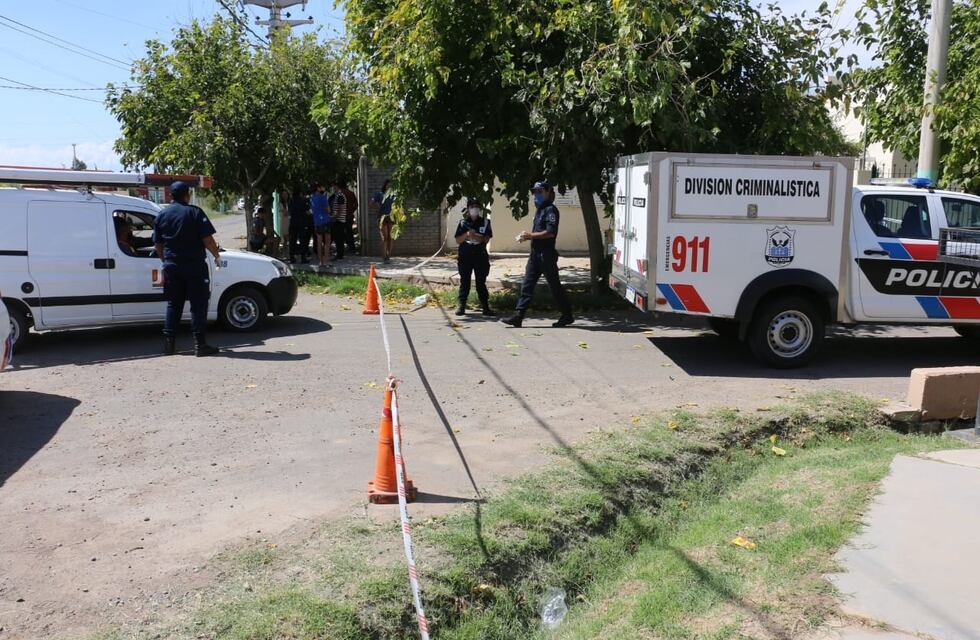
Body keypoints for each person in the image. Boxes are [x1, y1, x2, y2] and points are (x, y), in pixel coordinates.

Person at [153, 181, 221, 357]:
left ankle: (169, 346)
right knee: (198, 305)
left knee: (173, 305)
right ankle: (200, 345)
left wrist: (166, 261)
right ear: (187, 194)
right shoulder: (194, 212)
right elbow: (208, 240)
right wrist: (216, 255)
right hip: (194, 267)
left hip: (172, 267)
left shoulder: (162, 215)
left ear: (171, 195)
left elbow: (157, 244)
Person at [500, 181, 573, 328]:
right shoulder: (539, 209)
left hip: (546, 255)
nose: (536, 194)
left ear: (547, 192)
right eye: (534, 192)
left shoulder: (551, 210)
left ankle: (567, 315)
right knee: (527, 285)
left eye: (539, 191)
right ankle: (518, 316)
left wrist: (530, 236)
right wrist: (527, 236)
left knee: (554, 286)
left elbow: (550, 233)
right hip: (535, 255)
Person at [454, 197, 494, 316]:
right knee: (465, 281)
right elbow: (457, 240)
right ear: (468, 209)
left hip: (480, 255)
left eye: (476, 206)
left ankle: (485, 307)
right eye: (472, 207)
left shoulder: (486, 222)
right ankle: (461, 306)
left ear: (480, 208)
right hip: (465, 255)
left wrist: (475, 236)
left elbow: (486, 239)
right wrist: (466, 235)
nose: (474, 209)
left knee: (480, 282)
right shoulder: (462, 223)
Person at [373, 179, 395, 263]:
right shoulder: (379, 194)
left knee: (390, 237)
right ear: (385, 185)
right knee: (384, 237)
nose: (389, 187)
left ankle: (388, 256)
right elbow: (371, 203)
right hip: (382, 217)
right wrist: (378, 209)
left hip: (391, 217)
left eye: (391, 186)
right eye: (388, 185)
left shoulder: (394, 195)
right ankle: (384, 256)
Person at [288, 186, 312, 263]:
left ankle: (292, 257)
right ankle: (303, 258)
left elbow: (290, 211)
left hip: (293, 222)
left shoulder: (291, 201)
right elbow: (307, 211)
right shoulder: (303, 200)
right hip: (301, 222)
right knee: (302, 240)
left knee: (293, 240)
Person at [310, 183, 332, 265]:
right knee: (327, 241)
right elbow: (328, 210)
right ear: (318, 188)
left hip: (317, 221)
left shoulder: (312, 199)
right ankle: (326, 260)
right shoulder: (323, 198)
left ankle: (320, 261)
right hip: (325, 220)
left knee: (319, 242)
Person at [329, 180, 348, 261]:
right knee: (337, 238)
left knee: (339, 238)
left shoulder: (340, 195)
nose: (333, 188)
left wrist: (334, 218)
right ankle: (339, 254)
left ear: (337, 187)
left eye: (334, 186)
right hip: (338, 219)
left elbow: (340, 209)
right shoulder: (337, 195)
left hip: (339, 220)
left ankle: (340, 255)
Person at [340, 179, 359, 255]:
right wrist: (351, 211)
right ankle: (352, 248)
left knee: (341, 232)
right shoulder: (351, 193)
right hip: (349, 216)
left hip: (341, 216)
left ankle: (342, 249)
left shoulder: (340, 194)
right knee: (349, 232)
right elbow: (356, 205)